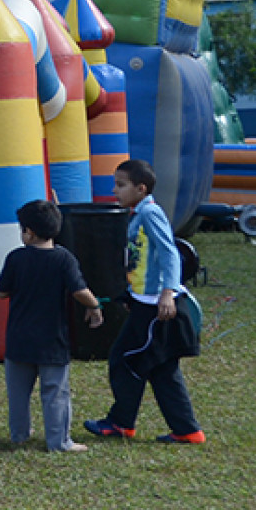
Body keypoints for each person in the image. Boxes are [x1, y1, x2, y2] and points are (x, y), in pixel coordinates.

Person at [84, 160, 206, 444]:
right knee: (161, 367)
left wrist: (167, 293)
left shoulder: (150, 213)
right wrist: (131, 294)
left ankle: (120, 423)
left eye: (121, 185)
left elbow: (169, 253)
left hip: (156, 308)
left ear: (141, 188)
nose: (115, 190)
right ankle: (187, 430)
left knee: (125, 359)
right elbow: (142, 262)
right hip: (144, 302)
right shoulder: (137, 213)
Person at [0, 200, 102, 453]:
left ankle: (19, 434)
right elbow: (80, 290)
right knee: (55, 392)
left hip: (19, 338)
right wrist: (95, 306)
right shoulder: (63, 258)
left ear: (29, 232)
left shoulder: (16, 257)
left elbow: (2, 291)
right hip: (52, 339)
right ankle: (59, 441)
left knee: (18, 393)